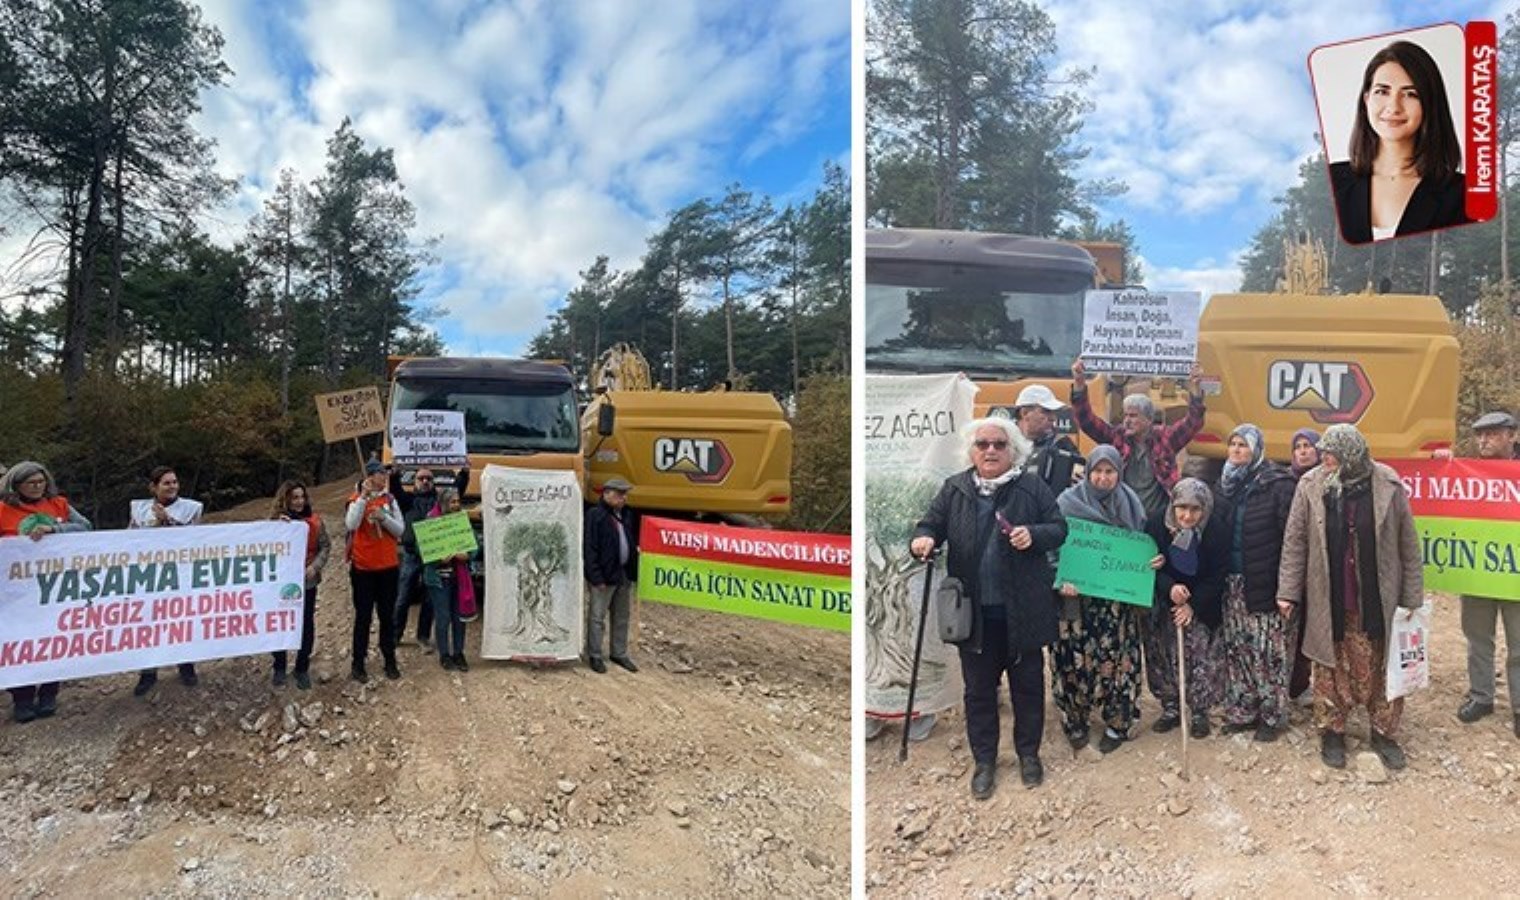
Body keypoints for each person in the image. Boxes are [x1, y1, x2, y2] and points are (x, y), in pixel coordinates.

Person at [911, 418, 1066, 797]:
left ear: (1013, 450)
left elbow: (1059, 527)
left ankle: (1029, 755)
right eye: (983, 444)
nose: (991, 450)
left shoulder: (1031, 487)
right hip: (974, 616)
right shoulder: (956, 489)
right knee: (979, 692)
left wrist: (1036, 534)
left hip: (1023, 610)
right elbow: (928, 524)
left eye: (999, 444)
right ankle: (984, 761)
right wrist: (924, 539)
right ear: (972, 451)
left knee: (1028, 689)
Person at [1277, 424, 1423, 770]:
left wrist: (1412, 597)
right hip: (1331, 594)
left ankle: (1384, 733)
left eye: (1331, 456)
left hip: (1377, 596)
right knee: (1328, 665)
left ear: (1351, 455)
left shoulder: (1387, 484)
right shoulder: (1311, 485)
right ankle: (1332, 732)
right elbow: (1295, 540)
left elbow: (1408, 545)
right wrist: (1287, 591)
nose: (1323, 461)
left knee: (1382, 664)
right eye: (1324, 454)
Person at [1051, 445, 1150, 755]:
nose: (1104, 478)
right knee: (1072, 658)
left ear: (1119, 473)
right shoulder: (1066, 503)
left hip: (1116, 604)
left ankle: (1117, 722)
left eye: (1110, 472)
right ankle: (1076, 721)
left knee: (1118, 658)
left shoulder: (1131, 504)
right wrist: (1059, 577)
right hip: (1075, 600)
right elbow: (1051, 546)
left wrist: (1150, 564)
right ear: (1088, 471)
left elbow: (1141, 550)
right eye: (1098, 471)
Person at [1330, 40, 1468, 244]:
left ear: (1429, 104)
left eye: (1410, 94)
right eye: (1382, 92)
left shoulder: (1462, 194)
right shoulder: (1334, 180)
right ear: (1366, 99)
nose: (1394, 107)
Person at [1213, 425, 1298, 742]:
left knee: (1268, 651)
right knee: (1238, 648)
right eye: (1232, 444)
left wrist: (1288, 589)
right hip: (1232, 581)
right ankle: (1243, 710)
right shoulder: (1225, 484)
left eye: (1243, 445)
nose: (1235, 450)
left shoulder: (1277, 484)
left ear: (1257, 449)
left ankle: (1272, 715)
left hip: (1265, 581)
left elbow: (1292, 539)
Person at [0, 461, 92, 722]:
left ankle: (49, 694)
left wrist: (55, 529)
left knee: (54, 640)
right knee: (19, 642)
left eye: (41, 482)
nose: (37, 487)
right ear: (16, 485)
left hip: (56, 588)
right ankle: (22, 698)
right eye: (31, 483)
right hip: (16, 592)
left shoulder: (58, 505)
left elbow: (86, 527)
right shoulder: (3, 510)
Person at [1070, 358, 1206, 521]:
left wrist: (1196, 388)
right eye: (1125, 415)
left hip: (1157, 518)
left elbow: (1194, 421)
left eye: (1133, 416)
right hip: (1122, 518)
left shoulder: (1166, 439)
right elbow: (1086, 421)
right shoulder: (1116, 438)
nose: (1127, 420)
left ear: (1149, 419)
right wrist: (1079, 383)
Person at [1144, 477, 1227, 738]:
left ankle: (1200, 709)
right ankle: (1170, 706)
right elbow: (1148, 565)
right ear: (1173, 505)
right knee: (1162, 653)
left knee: (1200, 655)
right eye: (1182, 508)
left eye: (1195, 509)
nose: (1187, 516)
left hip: (1200, 601)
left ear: (1204, 509)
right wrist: (1169, 588)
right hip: (1164, 598)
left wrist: (1192, 605)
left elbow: (1218, 575)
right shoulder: (1157, 523)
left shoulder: (1215, 529)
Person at [1454, 411, 1519, 739]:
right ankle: (1482, 696)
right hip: (1477, 573)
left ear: (1513, 436)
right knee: (1478, 638)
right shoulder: (1466, 472)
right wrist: (1441, 464)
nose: (1483, 440)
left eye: (1492, 434)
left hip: (1515, 577)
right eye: (1479, 435)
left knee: (1519, 643)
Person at [130, 466, 205, 696]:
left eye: (174, 482)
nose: (172, 486)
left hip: (179, 573)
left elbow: (193, 539)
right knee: (149, 621)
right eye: (166, 483)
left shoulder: (192, 508)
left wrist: (168, 521)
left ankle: (186, 665)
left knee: (180, 619)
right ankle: (148, 672)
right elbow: (129, 538)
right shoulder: (138, 508)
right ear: (154, 487)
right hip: (150, 575)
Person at [389, 466, 468, 648]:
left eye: (429, 479)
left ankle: (423, 636)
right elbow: (395, 489)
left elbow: (456, 492)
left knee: (429, 600)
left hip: (434, 557)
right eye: (421, 478)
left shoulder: (438, 501)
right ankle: (395, 635)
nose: (425, 482)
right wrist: (394, 475)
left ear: (433, 482)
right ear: (415, 482)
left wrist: (463, 474)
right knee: (403, 597)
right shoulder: (407, 500)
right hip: (411, 555)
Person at [346, 460, 405, 682]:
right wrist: (363, 498)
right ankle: (358, 663)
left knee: (387, 616)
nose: (384, 477)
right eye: (381, 473)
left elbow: (400, 529)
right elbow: (351, 524)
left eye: (385, 473)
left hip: (388, 568)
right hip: (363, 569)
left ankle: (389, 659)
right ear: (370, 476)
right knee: (363, 617)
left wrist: (384, 518)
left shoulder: (389, 500)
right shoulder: (354, 500)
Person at [270, 480, 330, 690]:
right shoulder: (275, 522)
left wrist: (315, 567)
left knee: (306, 624)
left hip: (307, 582)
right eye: (294, 497)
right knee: (280, 624)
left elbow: (325, 546)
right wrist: (277, 527)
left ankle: (302, 667)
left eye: (301, 497)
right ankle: (279, 666)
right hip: (281, 583)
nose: (299, 501)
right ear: (285, 499)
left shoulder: (315, 521)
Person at [583, 477, 639, 674]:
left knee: (622, 615)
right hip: (604, 576)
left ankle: (619, 652)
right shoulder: (595, 515)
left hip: (623, 573)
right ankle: (595, 654)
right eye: (619, 494)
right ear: (606, 494)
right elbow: (590, 548)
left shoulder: (627, 514)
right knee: (597, 617)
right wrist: (595, 577)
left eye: (624, 494)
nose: (623, 498)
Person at [423, 487, 475, 672]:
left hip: (459, 578)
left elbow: (473, 546)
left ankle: (459, 653)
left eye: (457, 501)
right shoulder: (431, 520)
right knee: (443, 617)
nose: (456, 505)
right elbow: (424, 550)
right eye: (452, 502)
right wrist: (438, 559)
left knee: (459, 617)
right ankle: (445, 654)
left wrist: (467, 555)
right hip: (438, 579)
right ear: (444, 503)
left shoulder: (461, 521)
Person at [1287, 428, 1322, 703]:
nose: (1303, 450)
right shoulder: (1282, 483)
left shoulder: (1331, 482)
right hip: (1292, 566)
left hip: (1321, 569)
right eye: (1298, 446)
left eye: (1309, 445)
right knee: (1292, 629)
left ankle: (1313, 684)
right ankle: (1294, 684)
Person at [1014, 383, 1082, 492]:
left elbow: (1080, 477)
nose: (1053, 418)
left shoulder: (1062, 444)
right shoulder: (1002, 443)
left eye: (1054, 412)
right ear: (1025, 413)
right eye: (1046, 411)